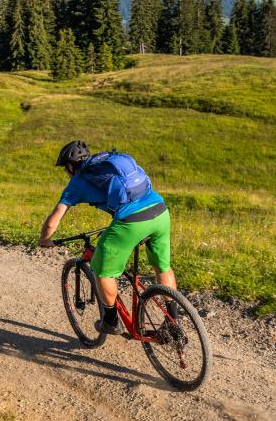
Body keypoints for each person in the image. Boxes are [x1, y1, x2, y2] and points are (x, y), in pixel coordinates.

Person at [39, 141, 177, 334]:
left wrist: (44, 240)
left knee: (102, 271)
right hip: (160, 212)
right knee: (162, 267)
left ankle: (111, 321)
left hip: (131, 221)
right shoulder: (112, 166)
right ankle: (173, 322)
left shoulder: (77, 182)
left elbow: (53, 221)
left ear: (70, 166)